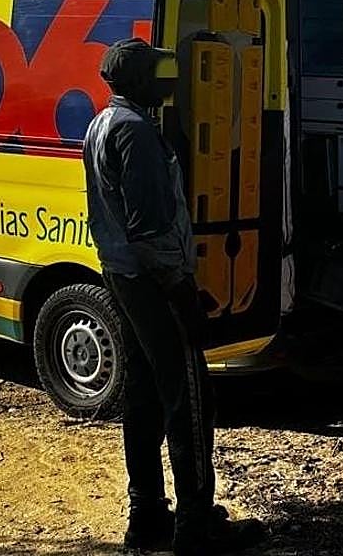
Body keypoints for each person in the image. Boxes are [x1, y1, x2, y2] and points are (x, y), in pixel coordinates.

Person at [83, 39, 265, 556]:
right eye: (161, 73)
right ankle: (195, 525)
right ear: (139, 82)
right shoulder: (137, 133)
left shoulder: (103, 123)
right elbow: (150, 227)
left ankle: (146, 517)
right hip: (152, 281)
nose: (170, 82)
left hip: (123, 277)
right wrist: (183, 291)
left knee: (141, 396)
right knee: (189, 401)